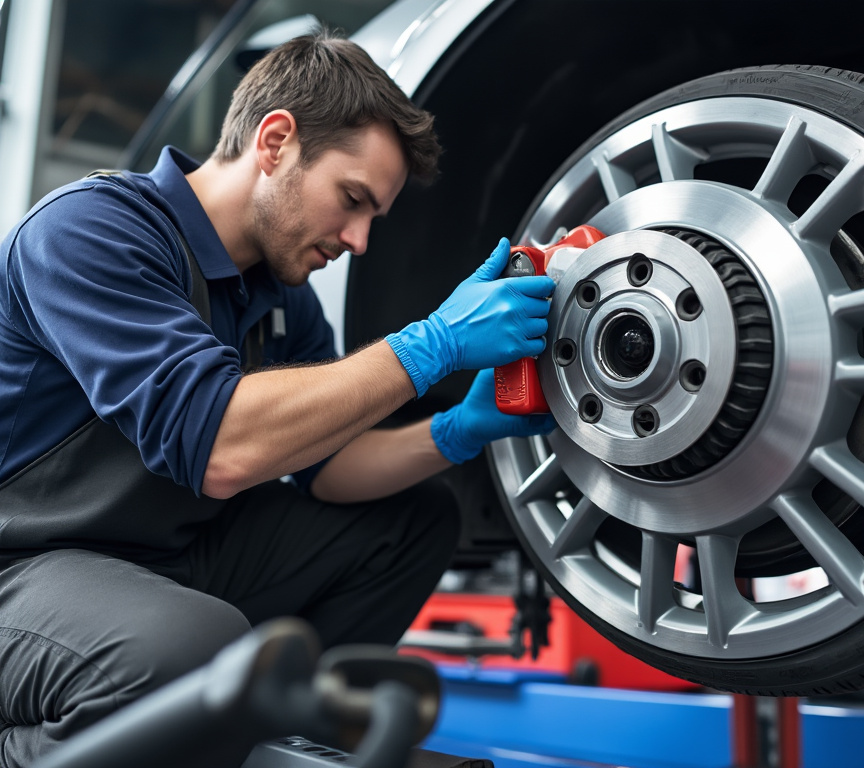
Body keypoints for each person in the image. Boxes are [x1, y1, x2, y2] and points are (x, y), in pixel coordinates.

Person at [0, 29, 556, 768]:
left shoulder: (284, 300)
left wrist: (456, 431)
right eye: (352, 200)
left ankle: (272, 736)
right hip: (23, 570)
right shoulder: (92, 230)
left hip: (161, 561)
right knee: (194, 651)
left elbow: (329, 470)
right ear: (275, 142)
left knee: (413, 520)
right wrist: (433, 345)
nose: (359, 239)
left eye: (373, 217)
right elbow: (221, 447)